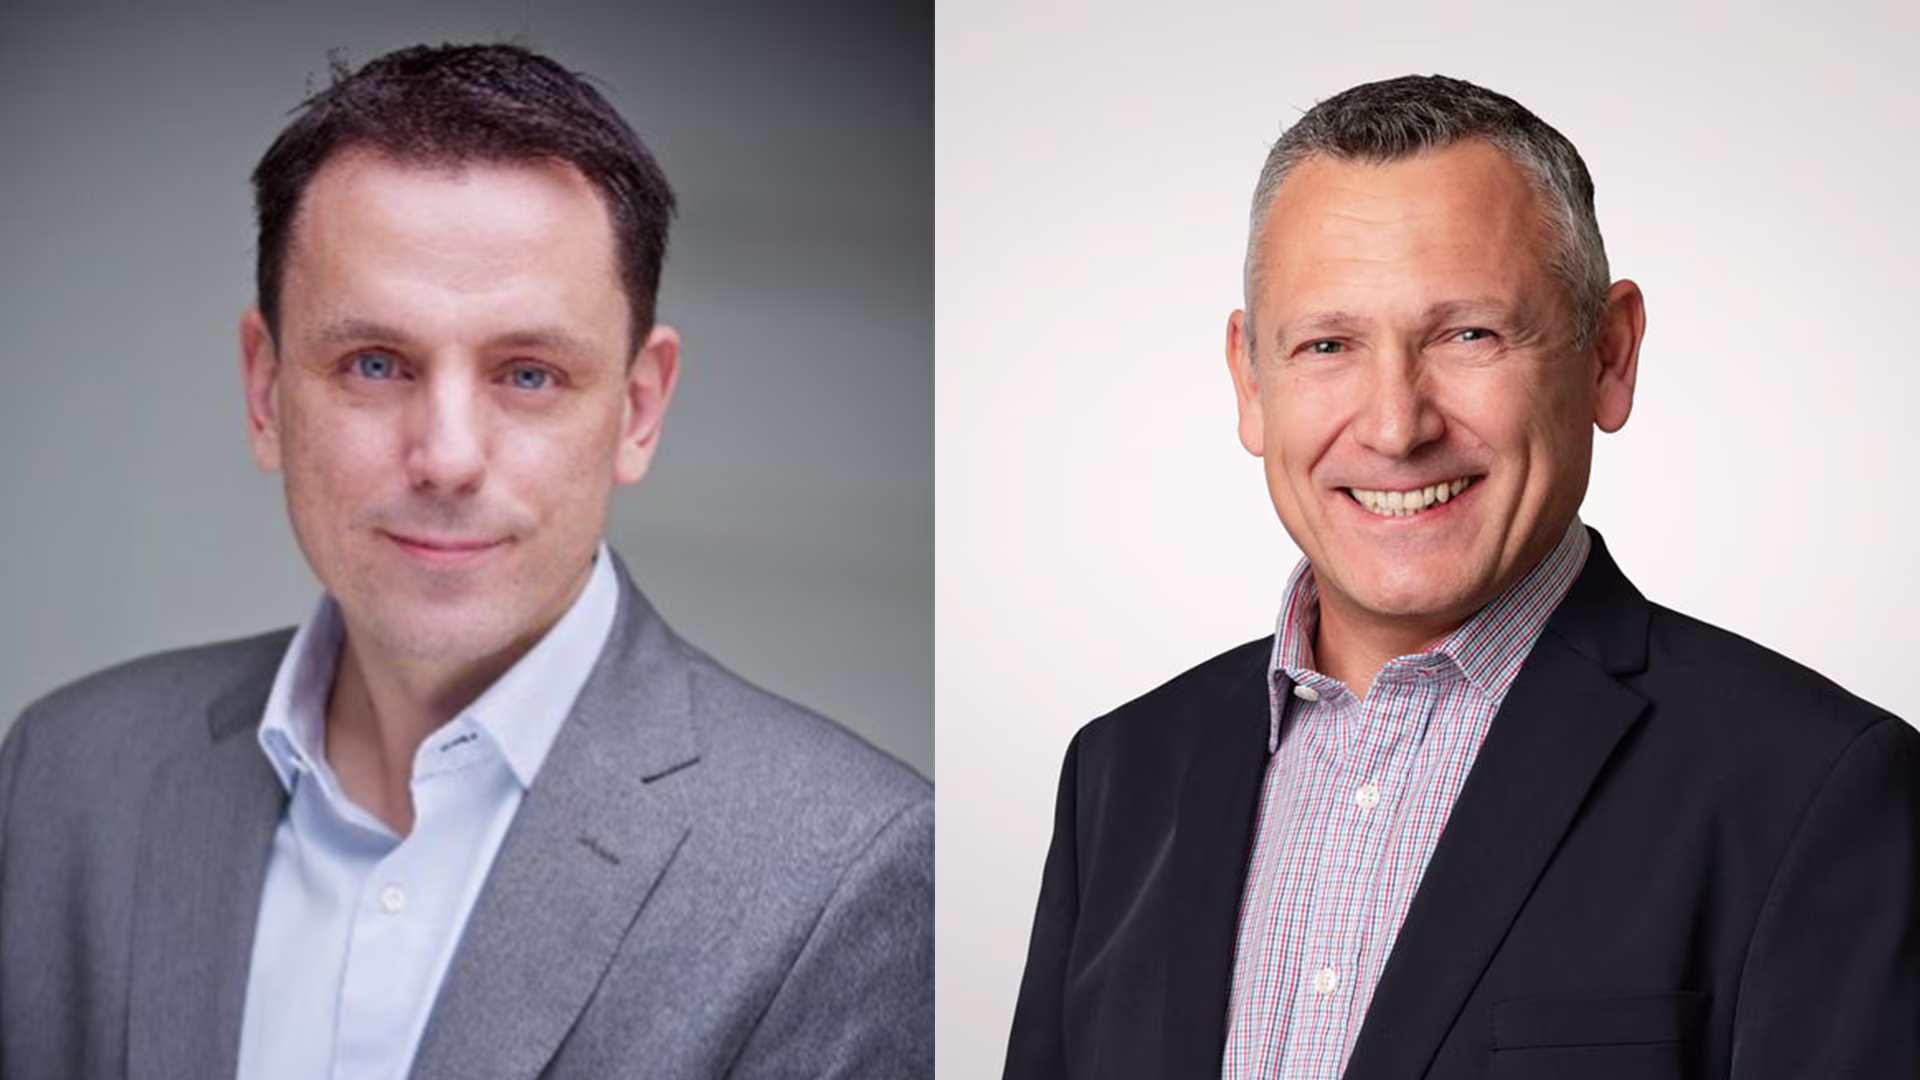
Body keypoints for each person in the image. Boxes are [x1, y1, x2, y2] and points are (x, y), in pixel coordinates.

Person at [0, 43, 931, 1079]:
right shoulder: (67, 777)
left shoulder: (846, 870)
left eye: (528, 374)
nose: (446, 456)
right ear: (266, 392)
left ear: (638, 408)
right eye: (375, 363)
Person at [1003, 74, 1919, 1079]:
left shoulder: (1813, 788)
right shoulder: (1121, 775)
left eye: (1468, 335)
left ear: (1609, 355)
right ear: (1250, 382)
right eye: (1328, 344)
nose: (1397, 425)